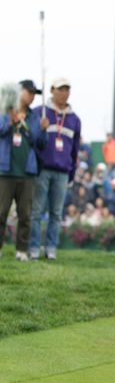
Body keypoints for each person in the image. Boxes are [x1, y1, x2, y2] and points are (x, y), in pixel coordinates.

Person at [29, 78, 81, 260]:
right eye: (60, 89)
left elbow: (75, 149)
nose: (64, 93)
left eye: (67, 89)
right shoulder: (39, 112)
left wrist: (72, 172)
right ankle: (34, 247)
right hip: (42, 169)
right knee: (36, 211)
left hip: (62, 171)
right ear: (52, 90)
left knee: (56, 214)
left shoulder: (74, 119)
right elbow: (33, 141)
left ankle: (51, 248)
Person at [0, 80, 46, 260]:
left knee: (25, 214)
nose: (32, 96)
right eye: (30, 92)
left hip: (27, 172)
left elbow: (41, 144)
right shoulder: (5, 110)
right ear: (20, 92)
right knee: (1, 212)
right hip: (5, 171)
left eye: (35, 93)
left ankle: (22, 250)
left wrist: (43, 130)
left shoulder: (35, 117)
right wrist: (10, 122)